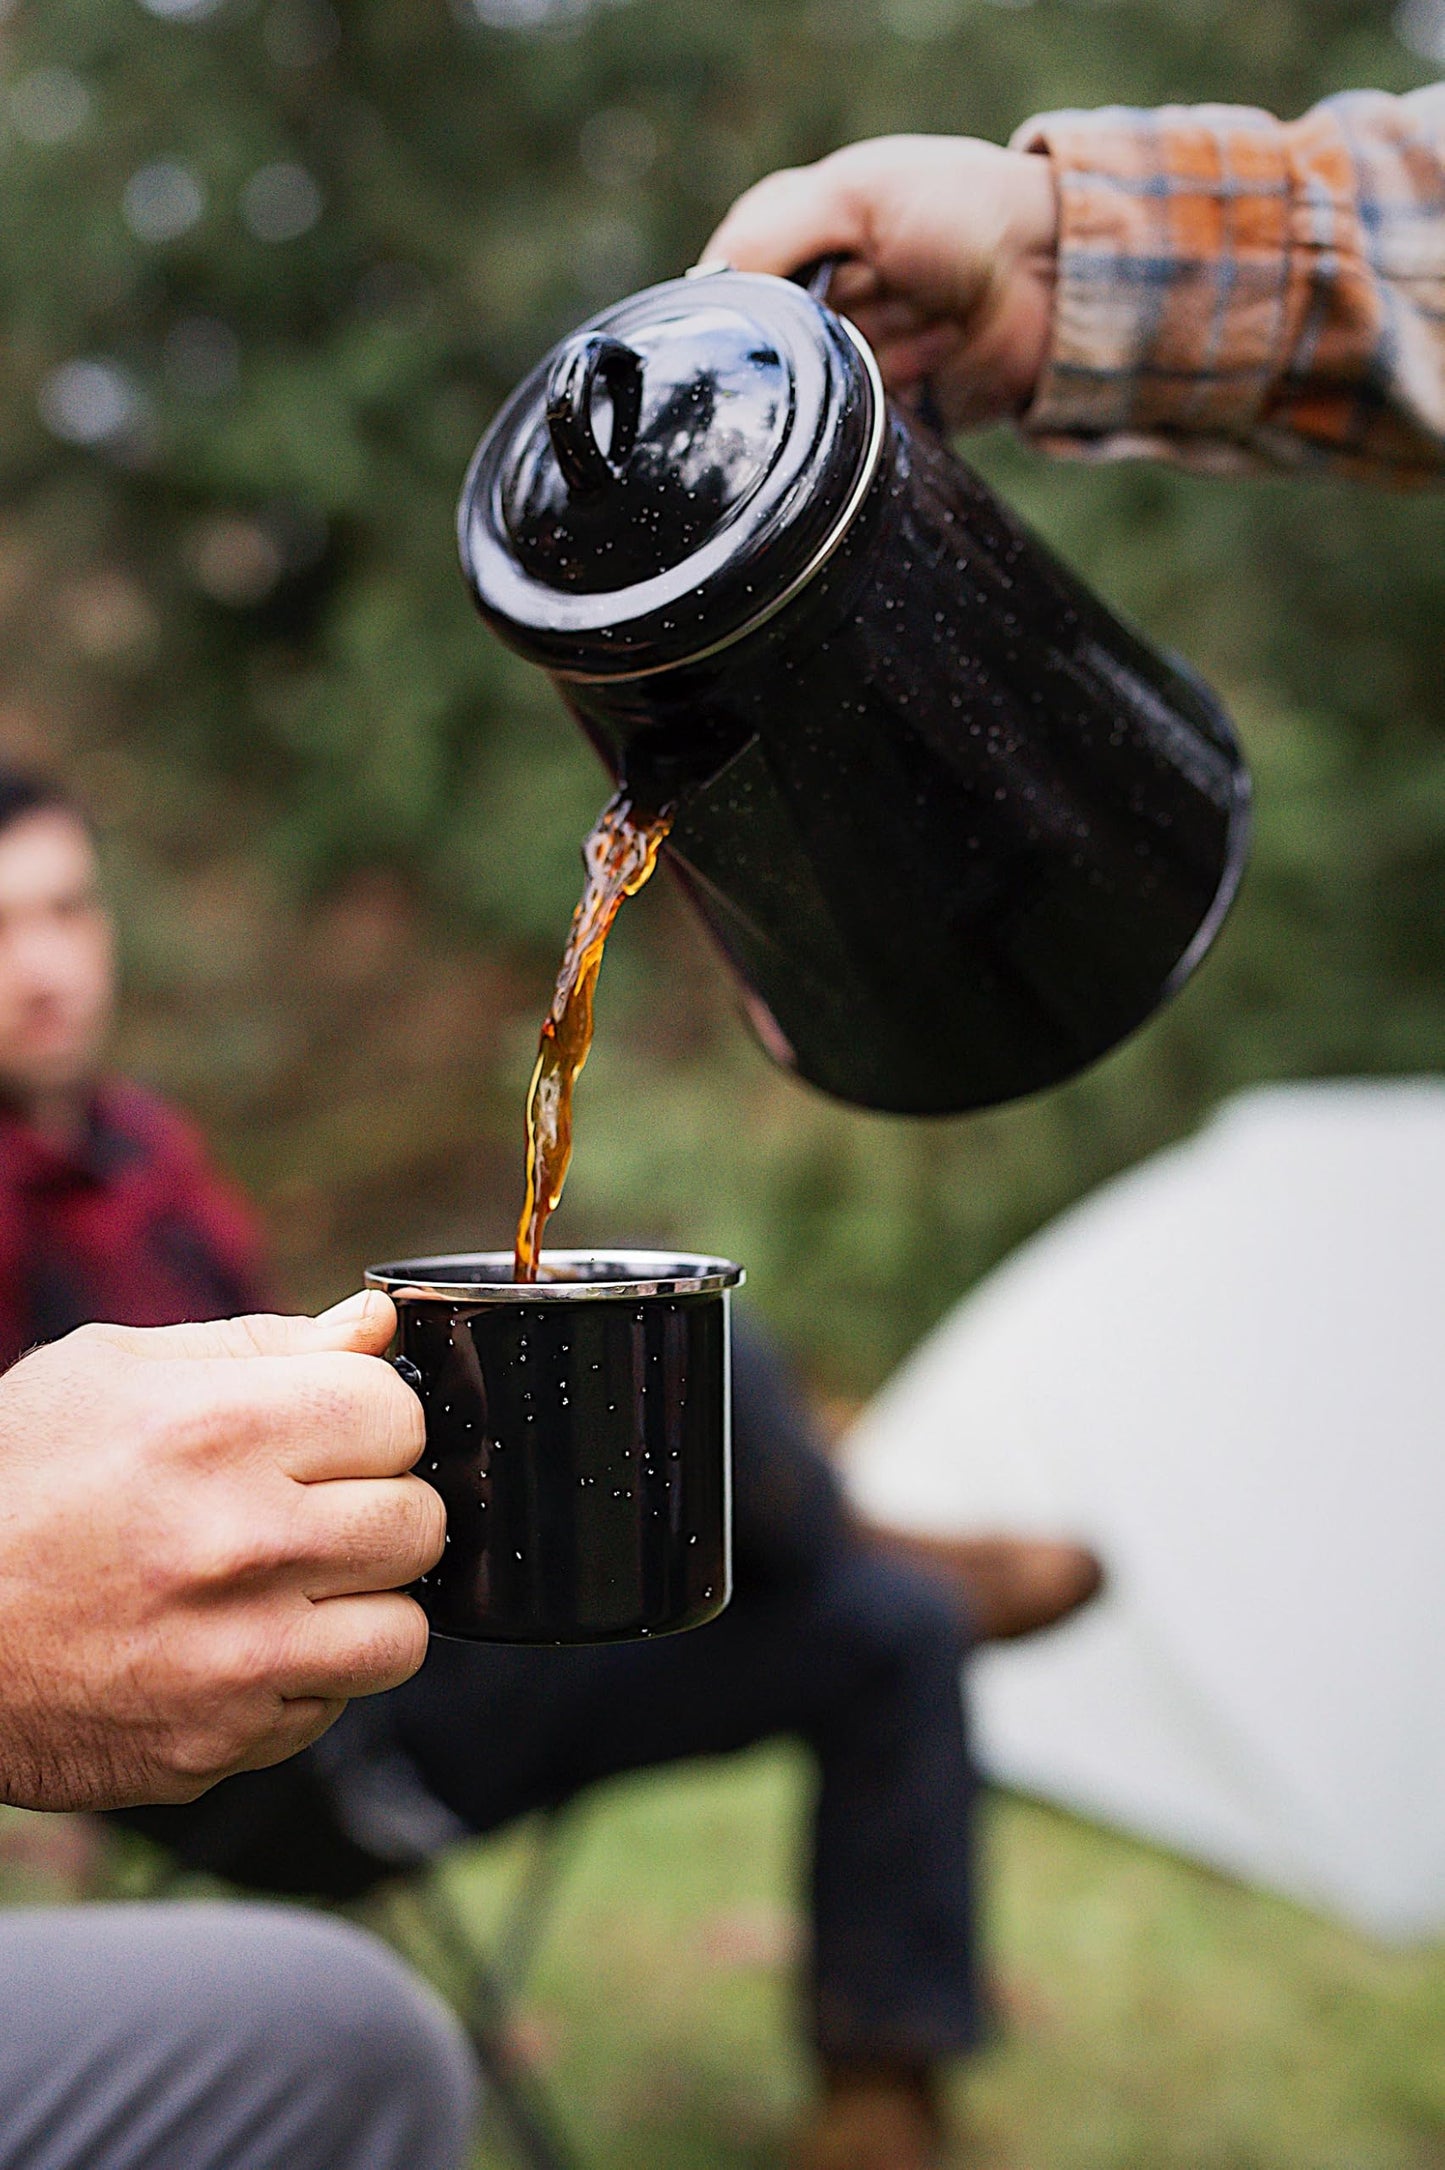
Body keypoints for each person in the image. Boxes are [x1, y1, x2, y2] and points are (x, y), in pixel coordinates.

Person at [0, 761, 1101, 2170]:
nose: (43, 963)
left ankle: (879, 2099)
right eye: (7, 920)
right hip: (289, 1743)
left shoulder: (150, 1153)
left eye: (68, 910)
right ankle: (846, 1526)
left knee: (887, 1629)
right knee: (729, 1368)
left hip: (410, 1632)